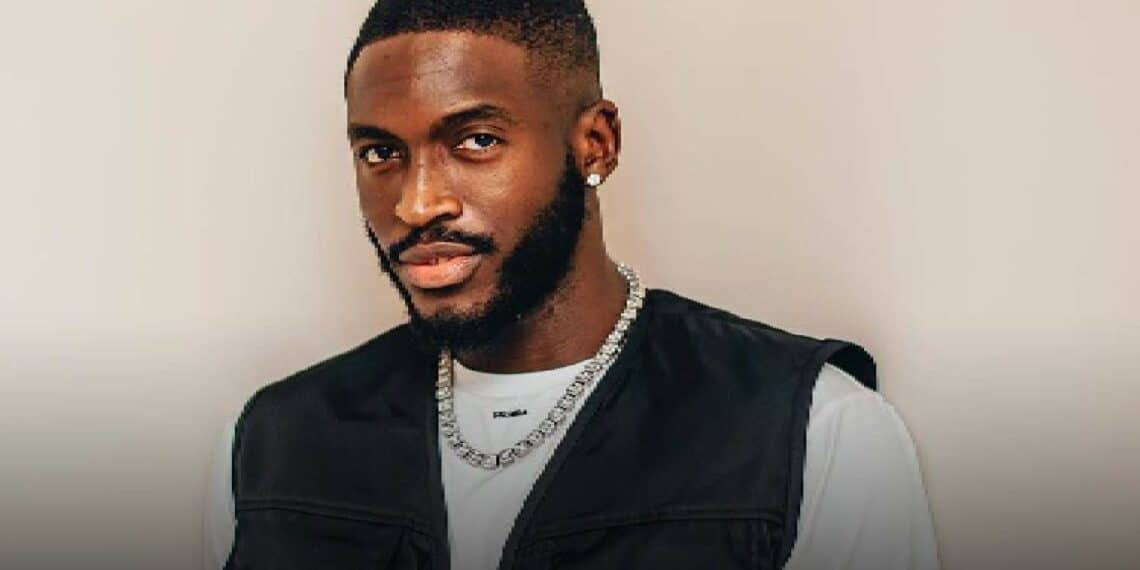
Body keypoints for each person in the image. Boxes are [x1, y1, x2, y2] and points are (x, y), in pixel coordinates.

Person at [205, 1, 940, 568]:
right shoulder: (272, 445)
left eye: (476, 141)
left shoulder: (813, 430)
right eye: (380, 153)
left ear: (596, 144)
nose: (417, 203)